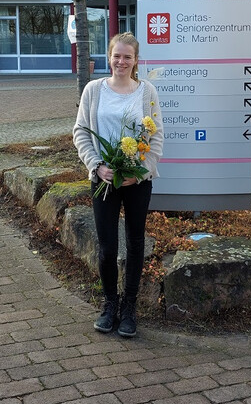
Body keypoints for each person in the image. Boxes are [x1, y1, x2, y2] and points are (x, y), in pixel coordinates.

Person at [73, 32, 164, 338]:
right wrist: (96, 166)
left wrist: (140, 172)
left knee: (135, 243)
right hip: (104, 179)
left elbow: (156, 136)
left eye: (128, 57)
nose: (121, 62)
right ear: (109, 57)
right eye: (117, 56)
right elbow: (81, 132)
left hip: (136, 181)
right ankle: (110, 304)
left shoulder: (147, 91)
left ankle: (129, 308)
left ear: (136, 61)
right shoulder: (93, 90)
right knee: (107, 245)